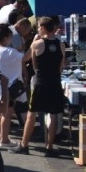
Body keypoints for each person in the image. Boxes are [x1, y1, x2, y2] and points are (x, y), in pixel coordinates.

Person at [12, 17, 66, 156]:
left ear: (42, 28)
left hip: (41, 82)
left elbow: (28, 60)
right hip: (55, 82)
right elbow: (61, 65)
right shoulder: (60, 44)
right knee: (53, 114)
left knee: (32, 113)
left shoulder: (37, 44)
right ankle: (50, 147)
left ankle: (24, 144)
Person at [0, 25, 24, 147]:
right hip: (7, 86)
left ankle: (2, 136)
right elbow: (25, 57)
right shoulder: (10, 52)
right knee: (7, 113)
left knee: (2, 112)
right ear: (6, 38)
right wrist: (34, 44)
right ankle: (4, 139)